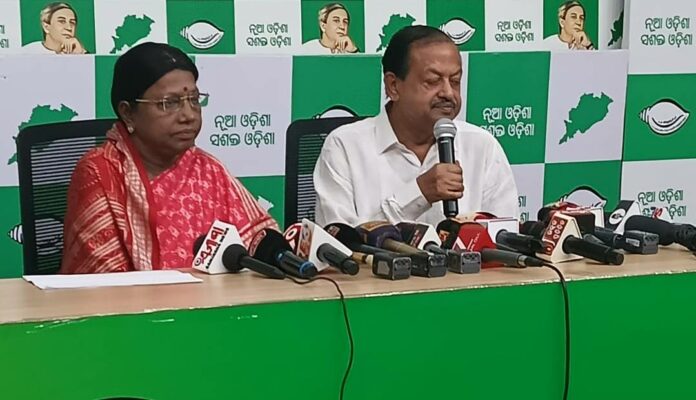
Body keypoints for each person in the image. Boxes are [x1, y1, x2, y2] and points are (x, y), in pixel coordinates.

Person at [61, 42, 277, 274]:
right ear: (128, 113)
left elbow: (258, 241)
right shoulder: (101, 173)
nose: (189, 115)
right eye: (169, 103)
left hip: (215, 296)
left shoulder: (208, 169)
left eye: (194, 100)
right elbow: (102, 282)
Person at [313, 25, 518, 227]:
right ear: (393, 86)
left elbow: (505, 236)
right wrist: (419, 194)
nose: (448, 93)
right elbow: (337, 241)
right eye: (433, 81)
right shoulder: (344, 147)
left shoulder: (482, 146)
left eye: (455, 81)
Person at [23, 2, 87, 54]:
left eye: (72, 22)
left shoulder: (78, 51)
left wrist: (81, 54)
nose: (69, 28)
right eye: (62, 21)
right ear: (46, 27)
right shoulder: (28, 52)